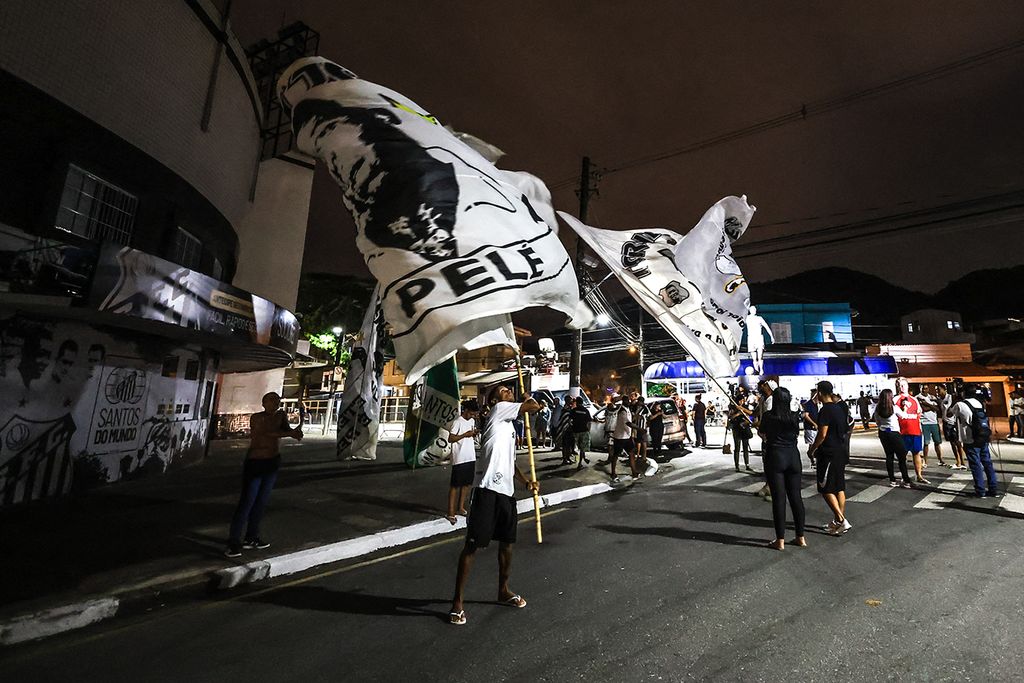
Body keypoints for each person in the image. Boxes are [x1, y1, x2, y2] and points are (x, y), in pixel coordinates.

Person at [449, 386, 540, 625]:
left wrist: (526, 482)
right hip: (487, 491)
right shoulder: (498, 411)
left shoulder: (508, 425)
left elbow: (510, 463)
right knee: (472, 546)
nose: (509, 391)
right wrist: (527, 395)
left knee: (507, 545)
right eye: (503, 390)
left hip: (506, 493)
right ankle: (457, 602)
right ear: (494, 401)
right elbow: (533, 406)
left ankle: (503, 590)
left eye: (510, 389)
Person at [225, 392, 303, 557]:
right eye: (272, 401)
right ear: (263, 403)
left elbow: (285, 430)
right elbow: (266, 433)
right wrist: (289, 434)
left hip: (272, 462)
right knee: (247, 502)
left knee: (261, 502)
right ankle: (233, 542)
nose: (276, 404)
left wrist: (295, 433)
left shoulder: (281, 415)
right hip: (256, 462)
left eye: (278, 401)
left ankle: (251, 537)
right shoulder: (257, 418)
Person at [759, 387, 807, 550]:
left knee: (779, 499)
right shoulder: (794, 416)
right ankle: (800, 537)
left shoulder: (768, 416)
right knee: (796, 497)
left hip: (775, 457)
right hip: (793, 457)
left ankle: (780, 540)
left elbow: (762, 434)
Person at [807, 381, 852, 536]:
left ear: (819, 393)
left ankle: (841, 520)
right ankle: (837, 522)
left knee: (825, 487)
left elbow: (822, 434)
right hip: (840, 451)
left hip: (828, 453)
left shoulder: (825, 411)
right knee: (839, 487)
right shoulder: (840, 408)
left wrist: (813, 449)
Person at [952, 383, 999, 498]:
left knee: (975, 464)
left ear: (963, 393)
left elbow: (949, 414)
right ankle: (993, 489)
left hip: (970, 439)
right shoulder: (978, 402)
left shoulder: (960, 404)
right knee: (987, 463)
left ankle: (980, 490)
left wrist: (956, 399)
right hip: (982, 437)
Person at [446, 401, 480, 524]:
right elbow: (451, 438)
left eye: (474, 413)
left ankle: (460, 507)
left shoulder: (472, 421)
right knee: (455, 486)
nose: (473, 415)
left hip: (470, 456)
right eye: (471, 413)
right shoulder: (457, 422)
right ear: (466, 410)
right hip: (459, 458)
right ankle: (450, 512)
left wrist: (473, 434)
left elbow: (470, 434)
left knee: (466, 484)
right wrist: (465, 435)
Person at [873, 389, 912, 488]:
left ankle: (892, 480)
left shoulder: (877, 409)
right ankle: (906, 480)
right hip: (894, 433)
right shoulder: (894, 408)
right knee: (901, 456)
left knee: (889, 456)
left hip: (883, 433)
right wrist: (906, 408)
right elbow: (904, 416)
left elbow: (877, 422)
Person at [895, 378, 928, 484]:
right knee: (902, 455)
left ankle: (919, 475)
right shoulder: (895, 399)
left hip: (915, 430)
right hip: (902, 431)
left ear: (908, 386)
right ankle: (904, 476)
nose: (902, 387)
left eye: (904, 385)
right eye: (900, 385)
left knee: (916, 453)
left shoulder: (914, 399)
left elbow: (919, 413)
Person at [608, 395, 638, 482]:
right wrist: (640, 429)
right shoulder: (622, 411)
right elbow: (628, 423)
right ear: (624, 401)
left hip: (627, 436)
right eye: (627, 401)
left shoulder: (627, 409)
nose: (629, 402)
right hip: (620, 437)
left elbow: (631, 420)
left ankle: (634, 473)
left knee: (631, 453)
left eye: (628, 401)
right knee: (616, 455)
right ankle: (613, 474)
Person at [916, 384, 948, 467]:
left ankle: (940, 459)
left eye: (926, 388)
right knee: (926, 443)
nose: (924, 390)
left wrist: (926, 403)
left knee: (937, 442)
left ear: (928, 389)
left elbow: (937, 409)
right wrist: (932, 406)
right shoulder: (917, 397)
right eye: (923, 389)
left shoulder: (932, 397)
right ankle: (925, 461)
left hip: (934, 422)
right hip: (924, 422)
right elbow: (923, 409)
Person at [937, 384, 967, 470]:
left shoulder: (951, 397)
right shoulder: (940, 400)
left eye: (939, 390)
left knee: (957, 442)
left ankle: (962, 461)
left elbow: (952, 410)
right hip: (946, 423)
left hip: (953, 423)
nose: (938, 392)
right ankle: (957, 461)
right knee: (952, 443)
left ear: (944, 389)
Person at [568, 395, 599, 469]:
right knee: (582, 448)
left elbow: (569, 421)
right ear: (582, 402)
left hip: (575, 431)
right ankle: (580, 463)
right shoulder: (586, 410)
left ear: (576, 402)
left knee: (574, 447)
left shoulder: (573, 410)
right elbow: (589, 422)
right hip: (584, 431)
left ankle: (576, 459)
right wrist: (588, 430)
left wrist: (572, 427)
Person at [728, 389, 753, 472]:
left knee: (745, 447)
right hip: (736, 429)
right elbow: (730, 418)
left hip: (744, 428)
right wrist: (737, 414)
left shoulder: (745, 407)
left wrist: (746, 420)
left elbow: (750, 416)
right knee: (737, 448)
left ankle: (747, 464)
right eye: (741, 400)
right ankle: (737, 465)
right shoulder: (733, 408)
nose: (742, 401)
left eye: (743, 400)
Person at [801, 389, 820, 465]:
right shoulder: (809, 404)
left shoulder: (816, 405)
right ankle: (812, 459)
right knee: (812, 444)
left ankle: (814, 458)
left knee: (815, 444)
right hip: (810, 428)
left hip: (815, 428)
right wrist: (814, 423)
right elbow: (806, 415)